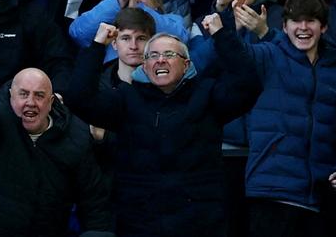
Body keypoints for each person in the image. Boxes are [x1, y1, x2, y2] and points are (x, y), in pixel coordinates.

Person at [64, 17, 263, 236]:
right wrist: (97, 45)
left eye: (169, 54)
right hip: (140, 222)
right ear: (145, 65)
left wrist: (221, 34)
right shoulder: (126, 99)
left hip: (200, 222)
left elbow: (249, 85)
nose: (160, 60)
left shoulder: (207, 95)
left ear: (186, 64)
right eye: (152, 56)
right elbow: (78, 97)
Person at [232, 0, 336, 235]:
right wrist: (223, 13)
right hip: (270, 195)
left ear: (323, 27)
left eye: (310, 20)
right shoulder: (268, 57)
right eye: (296, 21)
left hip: (319, 202)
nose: (303, 27)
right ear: (284, 26)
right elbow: (231, 53)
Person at [0, 64, 112, 236]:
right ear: (11, 96)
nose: (30, 102)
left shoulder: (76, 137)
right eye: (23, 94)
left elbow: (94, 201)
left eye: (39, 95)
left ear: (51, 102)